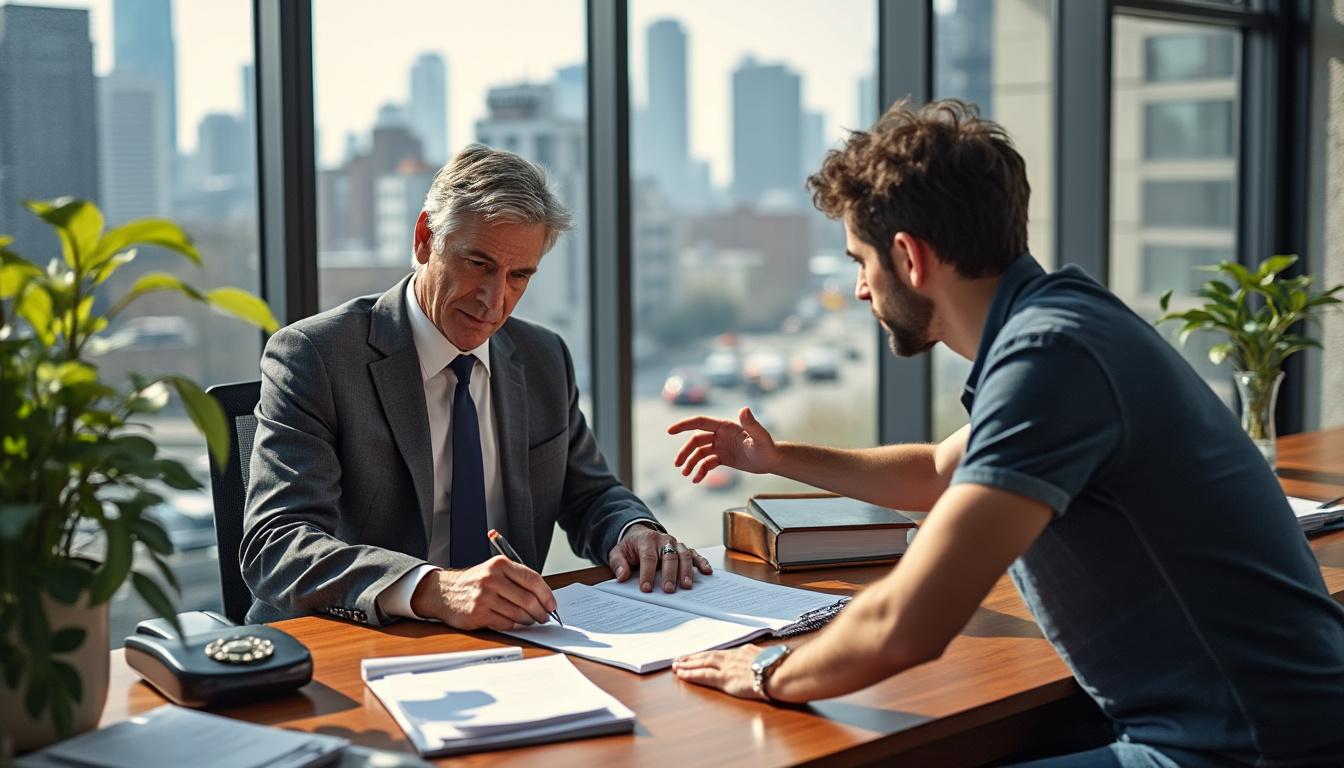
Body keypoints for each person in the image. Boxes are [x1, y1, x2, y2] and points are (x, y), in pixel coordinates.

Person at [667, 100, 1344, 767]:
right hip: (1244, 725)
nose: (861, 289)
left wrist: (765, 672)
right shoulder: (1068, 321)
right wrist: (779, 456)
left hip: (1246, 748)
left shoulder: (1052, 357)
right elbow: (937, 471)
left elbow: (907, 626)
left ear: (909, 256)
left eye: (858, 260)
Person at [242, 144, 710, 631]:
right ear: (425, 238)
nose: (495, 299)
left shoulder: (543, 357)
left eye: (519, 275)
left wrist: (633, 530)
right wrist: (433, 589)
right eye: (478, 264)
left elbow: (590, 494)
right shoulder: (315, 356)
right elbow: (277, 544)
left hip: (510, 638)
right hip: (359, 641)